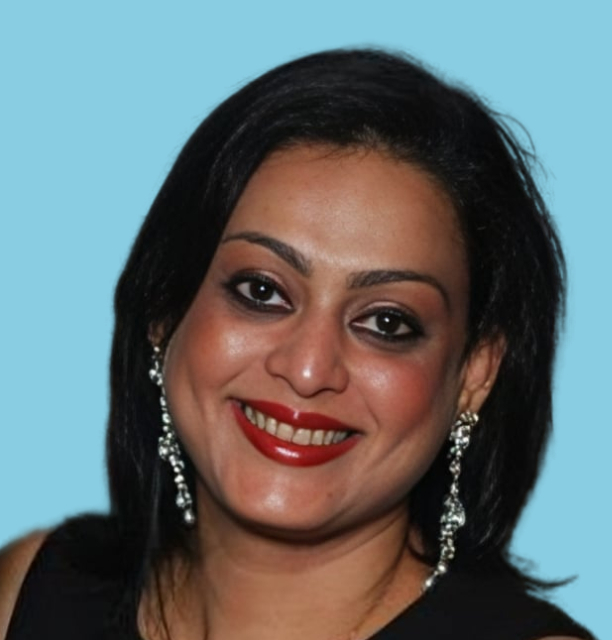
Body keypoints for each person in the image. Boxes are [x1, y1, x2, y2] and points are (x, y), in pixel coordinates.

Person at [0, 48, 595, 640]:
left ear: (474, 374)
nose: (308, 369)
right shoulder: (30, 590)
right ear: (164, 307)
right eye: (261, 291)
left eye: (387, 323)